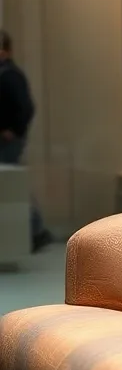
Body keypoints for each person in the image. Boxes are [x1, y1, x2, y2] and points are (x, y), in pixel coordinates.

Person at [0, 31, 52, 252]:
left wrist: (14, 130)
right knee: (12, 185)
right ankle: (34, 229)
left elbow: (26, 108)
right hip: (7, 138)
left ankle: (36, 229)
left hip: (8, 140)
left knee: (13, 185)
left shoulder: (11, 75)